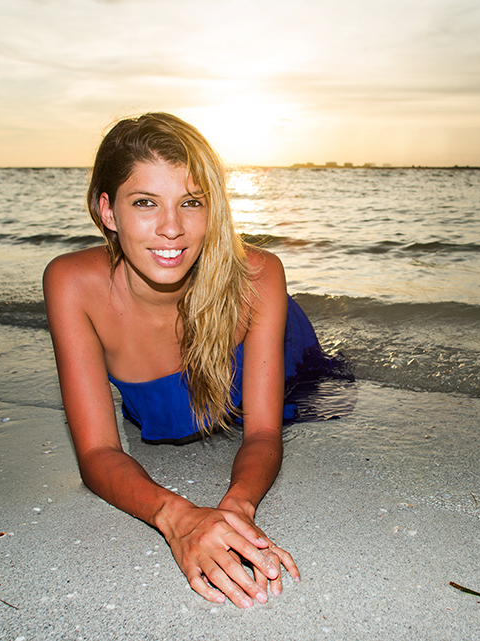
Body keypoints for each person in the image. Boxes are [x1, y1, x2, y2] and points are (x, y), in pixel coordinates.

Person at [44, 112, 333, 608]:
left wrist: (237, 507)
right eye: (146, 203)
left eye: (191, 202)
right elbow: (96, 453)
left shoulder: (259, 276)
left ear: (212, 209)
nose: (172, 228)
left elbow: (262, 433)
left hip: (276, 347)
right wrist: (179, 519)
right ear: (108, 211)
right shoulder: (72, 284)